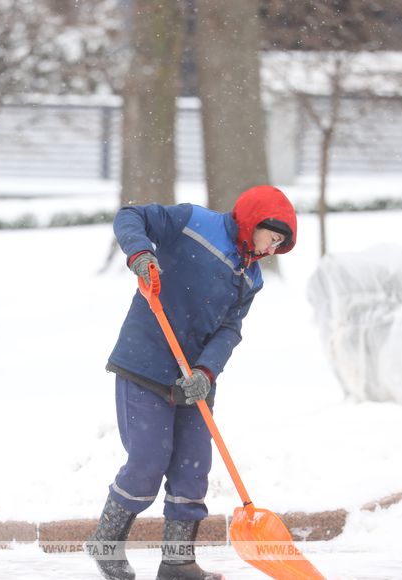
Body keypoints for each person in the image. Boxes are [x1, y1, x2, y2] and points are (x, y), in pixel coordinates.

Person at [86, 185, 297, 580]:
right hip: (146, 361)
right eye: (273, 238)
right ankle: (106, 543)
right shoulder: (193, 222)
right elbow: (131, 216)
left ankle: (178, 563)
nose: (272, 249)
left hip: (194, 379)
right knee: (148, 461)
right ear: (255, 223)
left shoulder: (251, 277)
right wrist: (140, 253)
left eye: (279, 245)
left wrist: (206, 371)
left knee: (192, 469)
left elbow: (230, 329)